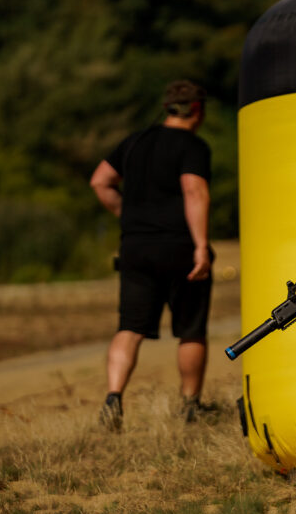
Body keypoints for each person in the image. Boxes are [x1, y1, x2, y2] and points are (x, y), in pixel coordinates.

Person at [89, 79, 214, 431]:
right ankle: (190, 405)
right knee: (190, 329)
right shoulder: (192, 145)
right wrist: (201, 246)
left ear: (167, 108)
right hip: (180, 247)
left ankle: (113, 397)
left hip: (135, 247)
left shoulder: (135, 141)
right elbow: (194, 191)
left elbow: (100, 181)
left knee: (130, 327)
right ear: (197, 110)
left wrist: (126, 214)